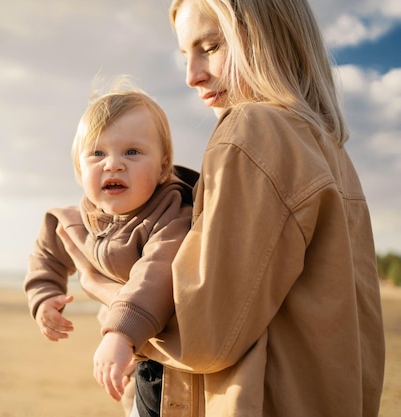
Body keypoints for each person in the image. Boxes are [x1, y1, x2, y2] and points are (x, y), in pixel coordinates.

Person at [64, 0, 386, 416]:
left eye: (211, 47)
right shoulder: (327, 145)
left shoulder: (252, 130)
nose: (192, 76)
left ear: (268, 37)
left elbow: (207, 333)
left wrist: (102, 286)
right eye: (186, 55)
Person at [23, 81, 199, 416]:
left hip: (165, 356)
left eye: (132, 152)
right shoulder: (78, 221)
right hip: (129, 355)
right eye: (97, 153)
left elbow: (157, 273)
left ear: (163, 167)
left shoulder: (172, 214)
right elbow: (47, 254)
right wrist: (44, 297)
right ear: (79, 169)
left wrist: (119, 333)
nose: (113, 164)